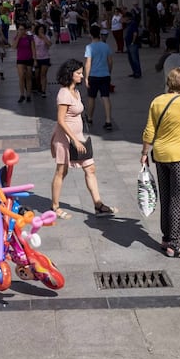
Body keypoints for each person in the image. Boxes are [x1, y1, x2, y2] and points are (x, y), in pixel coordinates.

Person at [50, 59, 119, 219]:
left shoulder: (76, 91)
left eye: (82, 72)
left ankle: (98, 205)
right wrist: (73, 139)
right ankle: (55, 207)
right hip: (64, 139)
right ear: (70, 74)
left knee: (90, 168)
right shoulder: (64, 94)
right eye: (79, 73)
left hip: (79, 138)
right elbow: (61, 120)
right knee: (62, 171)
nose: (82, 75)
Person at [141, 67, 180, 258]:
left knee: (166, 197)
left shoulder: (157, 101)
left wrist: (144, 152)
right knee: (178, 200)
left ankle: (166, 238)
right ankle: (175, 244)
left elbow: (149, 130)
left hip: (160, 155)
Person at [84, 25, 113, 130]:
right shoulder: (106, 46)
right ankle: (108, 120)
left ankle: (90, 117)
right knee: (105, 97)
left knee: (92, 97)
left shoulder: (89, 47)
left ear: (91, 35)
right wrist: (109, 72)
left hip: (93, 76)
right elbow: (110, 61)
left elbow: (88, 63)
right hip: (105, 75)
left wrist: (86, 77)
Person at [12, 24, 37, 103]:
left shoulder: (30, 38)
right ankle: (22, 94)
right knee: (21, 77)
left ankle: (28, 94)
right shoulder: (17, 38)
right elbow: (13, 47)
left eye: (22, 29)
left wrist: (35, 59)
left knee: (28, 77)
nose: (21, 31)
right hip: (20, 59)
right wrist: (18, 37)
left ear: (25, 30)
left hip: (29, 59)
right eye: (20, 29)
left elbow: (33, 49)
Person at [33, 23, 52, 98]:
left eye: (43, 30)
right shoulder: (34, 37)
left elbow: (49, 44)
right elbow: (33, 48)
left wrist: (44, 37)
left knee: (43, 75)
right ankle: (39, 87)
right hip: (37, 58)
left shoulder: (46, 37)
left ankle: (43, 91)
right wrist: (34, 59)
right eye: (40, 30)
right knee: (37, 75)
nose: (41, 31)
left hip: (45, 58)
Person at [123, 11, 142, 78]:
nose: (123, 19)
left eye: (124, 17)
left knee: (134, 59)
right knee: (130, 59)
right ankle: (134, 71)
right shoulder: (128, 24)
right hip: (128, 43)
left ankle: (138, 72)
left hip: (132, 44)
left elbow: (135, 33)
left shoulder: (133, 23)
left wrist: (133, 42)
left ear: (128, 17)